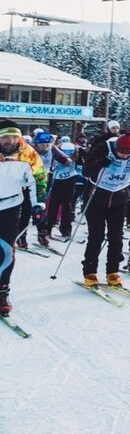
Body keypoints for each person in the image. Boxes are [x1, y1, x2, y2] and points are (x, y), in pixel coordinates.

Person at [81, 133, 130, 288]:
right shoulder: (103, 148)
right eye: (122, 152)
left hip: (119, 198)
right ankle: (90, 271)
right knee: (96, 236)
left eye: (128, 153)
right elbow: (86, 171)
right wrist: (101, 162)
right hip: (97, 197)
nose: (125, 155)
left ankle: (112, 271)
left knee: (116, 237)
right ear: (117, 147)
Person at [0, 121, 47, 316]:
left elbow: (39, 179)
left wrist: (39, 204)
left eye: (14, 136)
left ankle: (2, 292)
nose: (10, 141)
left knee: (7, 251)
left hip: (11, 206)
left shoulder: (27, 154)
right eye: (5, 136)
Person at [33, 132, 72, 247]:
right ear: (36, 144)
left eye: (46, 145)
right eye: (41, 145)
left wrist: (65, 161)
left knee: (40, 208)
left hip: (44, 181)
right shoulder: (30, 151)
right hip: (29, 181)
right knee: (26, 208)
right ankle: (21, 236)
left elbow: (64, 159)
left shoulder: (52, 150)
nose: (44, 147)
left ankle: (42, 233)